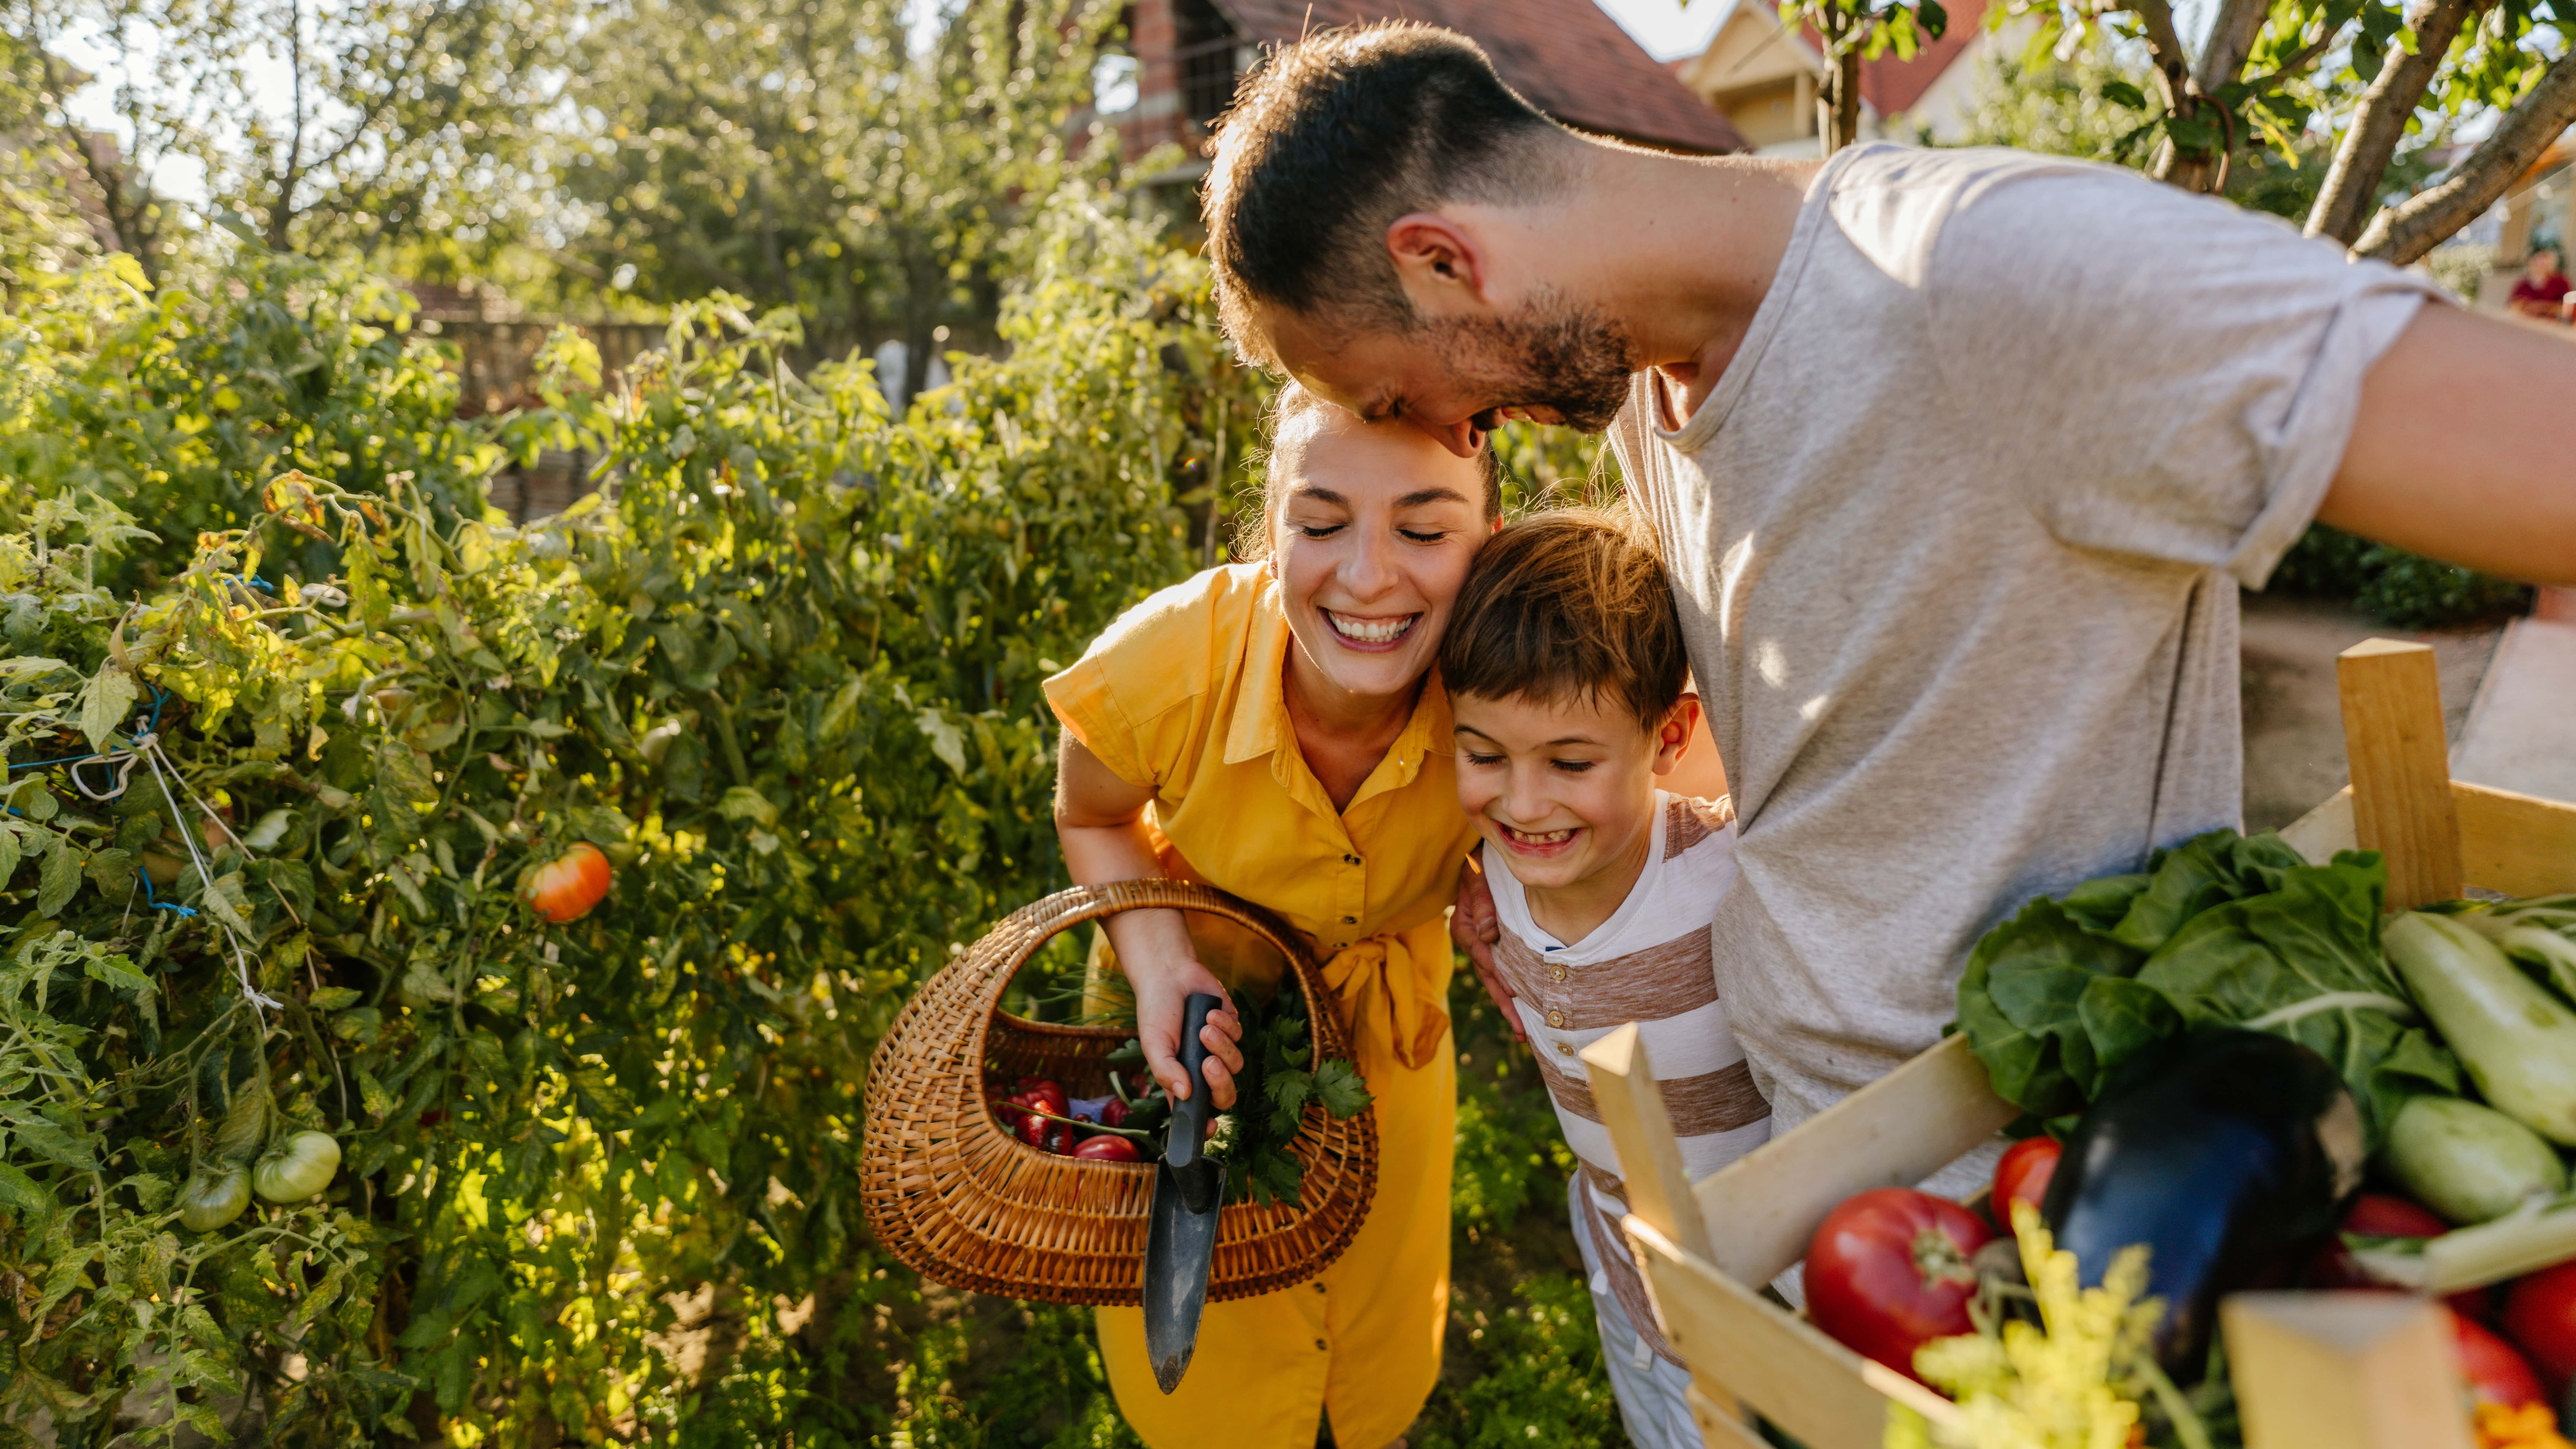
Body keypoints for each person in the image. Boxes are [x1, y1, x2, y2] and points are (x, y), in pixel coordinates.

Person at [1194, 23, 2576, 1152]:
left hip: (2057, 1170)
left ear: (1444, 261)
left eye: (1398, 394)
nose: (1445, 439)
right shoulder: (1645, 387)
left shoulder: (1975, 277)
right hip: (1818, 1169)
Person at [1044, 383, 1496, 1449]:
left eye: (1425, 528)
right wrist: (1158, 965)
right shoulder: (1177, 658)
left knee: (1373, 1323)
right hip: (1197, 1038)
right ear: (1273, 520)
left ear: (1489, 539)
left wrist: (1509, 895)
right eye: (1321, 521)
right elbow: (1091, 809)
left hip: (1384, 1037)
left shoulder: (1511, 669)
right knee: (1211, 1355)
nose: (1370, 574)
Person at [1436, 508, 1768, 1449]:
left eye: (1571, 763)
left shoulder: (1725, 882)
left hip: (1767, 1293)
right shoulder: (1489, 871)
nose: (1524, 802)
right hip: (1623, 1260)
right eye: (1483, 754)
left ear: (1670, 737)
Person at [2510, 248, 2573, 323]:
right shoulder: (2523, 284)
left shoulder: (2561, 283)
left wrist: (2544, 308)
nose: (2541, 265)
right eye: (2537, 261)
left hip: (2551, 324)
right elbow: (2513, 306)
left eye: (2544, 261)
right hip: (2527, 323)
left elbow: (2567, 309)